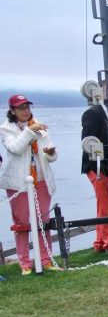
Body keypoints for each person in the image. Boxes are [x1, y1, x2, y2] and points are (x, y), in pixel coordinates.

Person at [0, 95, 59, 274]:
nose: (25, 111)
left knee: (44, 221)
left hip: (41, 180)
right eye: (21, 108)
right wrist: (30, 130)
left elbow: (52, 156)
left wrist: (50, 153)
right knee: (22, 223)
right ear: (12, 111)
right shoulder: (6, 129)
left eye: (27, 107)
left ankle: (45, 259)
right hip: (18, 182)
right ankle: (24, 263)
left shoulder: (39, 126)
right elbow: (16, 148)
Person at [81, 90, 108, 253]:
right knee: (105, 205)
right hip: (99, 166)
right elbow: (89, 141)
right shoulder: (93, 114)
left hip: (106, 165)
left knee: (103, 205)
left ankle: (101, 241)